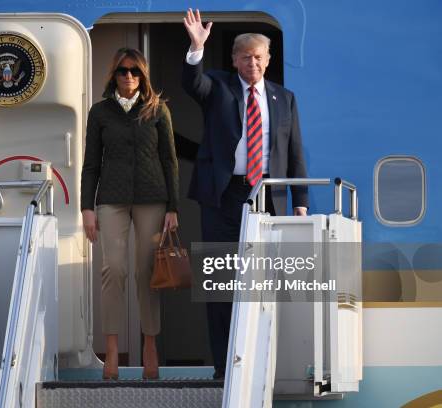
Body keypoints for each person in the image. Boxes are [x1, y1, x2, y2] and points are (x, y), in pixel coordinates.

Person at [182, 9, 309, 380]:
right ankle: (225, 367)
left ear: (268, 61)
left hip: (269, 195)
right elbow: (193, 83)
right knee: (223, 282)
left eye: (258, 57)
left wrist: (299, 203)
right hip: (225, 196)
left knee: (267, 282)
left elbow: (296, 153)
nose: (251, 63)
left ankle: (264, 361)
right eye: (244, 56)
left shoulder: (284, 99)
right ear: (234, 60)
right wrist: (195, 47)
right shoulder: (218, 86)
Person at [80, 48, 179, 380]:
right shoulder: (100, 113)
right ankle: (111, 348)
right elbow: (91, 164)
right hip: (111, 199)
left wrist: (173, 208)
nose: (128, 77)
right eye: (122, 71)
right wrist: (87, 208)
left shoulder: (158, 110)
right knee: (114, 269)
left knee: (146, 270)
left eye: (135, 71)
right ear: (114, 75)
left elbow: (170, 162)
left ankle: (150, 344)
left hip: (153, 199)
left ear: (143, 75)